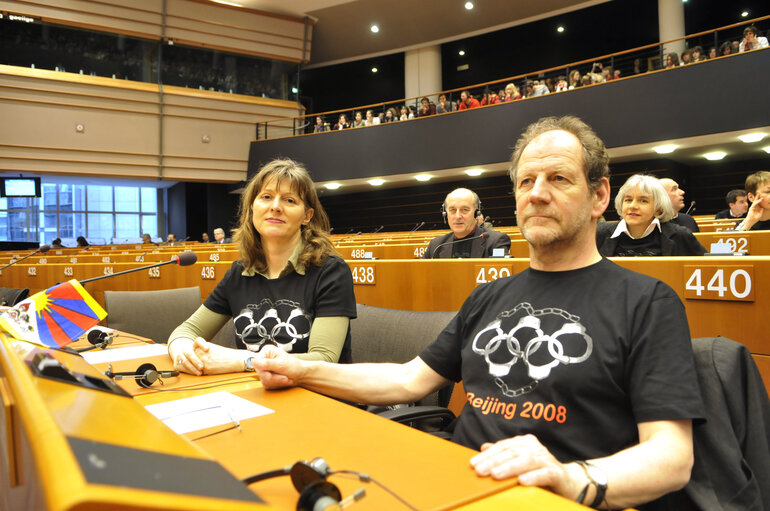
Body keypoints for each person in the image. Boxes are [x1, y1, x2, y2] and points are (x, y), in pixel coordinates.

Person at [253, 116, 703, 510]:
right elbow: (408, 381)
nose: (537, 194)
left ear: (600, 196)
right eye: (526, 182)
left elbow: (671, 457)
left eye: (559, 179)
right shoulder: (488, 297)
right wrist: (298, 370)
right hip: (456, 483)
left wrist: (571, 478)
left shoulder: (647, 302)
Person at [168, 159, 357, 375]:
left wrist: (244, 361)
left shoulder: (330, 271)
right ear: (251, 209)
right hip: (255, 395)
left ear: (307, 216)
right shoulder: (240, 273)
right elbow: (186, 331)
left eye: (289, 200)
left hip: (319, 399)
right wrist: (182, 350)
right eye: (266, 197)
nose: (275, 206)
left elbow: (323, 359)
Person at [596, 174, 706, 256]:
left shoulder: (680, 236)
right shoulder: (599, 233)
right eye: (628, 200)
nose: (633, 206)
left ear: (658, 208)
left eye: (643, 201)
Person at [422, 188, 511, 259]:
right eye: (452, 210)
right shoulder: (436, 245)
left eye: (465, 210)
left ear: (476, 213)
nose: (457, 216)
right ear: (445, 214)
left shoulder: (496, 241)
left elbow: (500, 279)